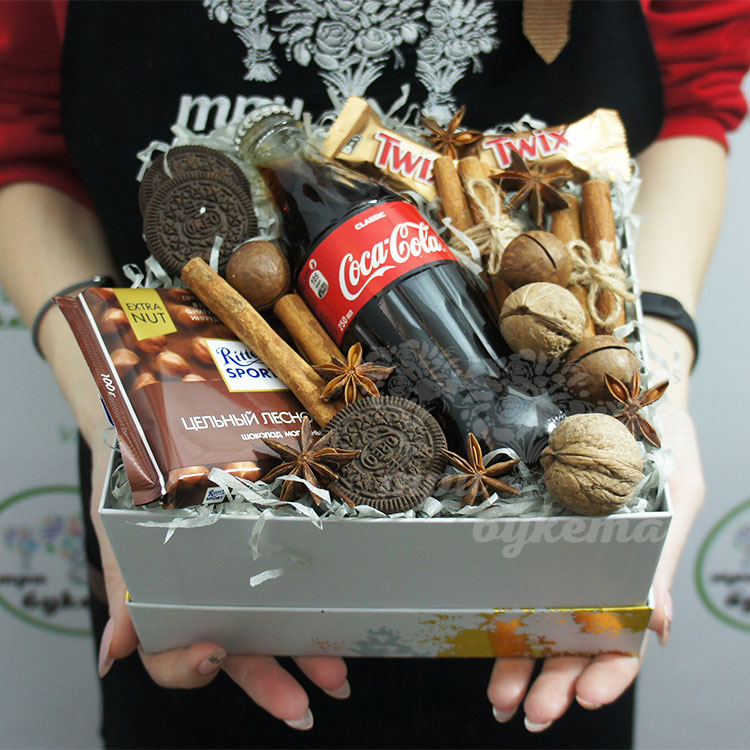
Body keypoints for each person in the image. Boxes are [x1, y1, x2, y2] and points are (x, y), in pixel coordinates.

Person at [1, 1, 748, 747]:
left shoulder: (373, 207)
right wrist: (111, 410)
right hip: (242, 594)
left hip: (536, 600)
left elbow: (694, 85)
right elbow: (18, 127)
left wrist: (661, 359)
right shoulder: (304, 234)